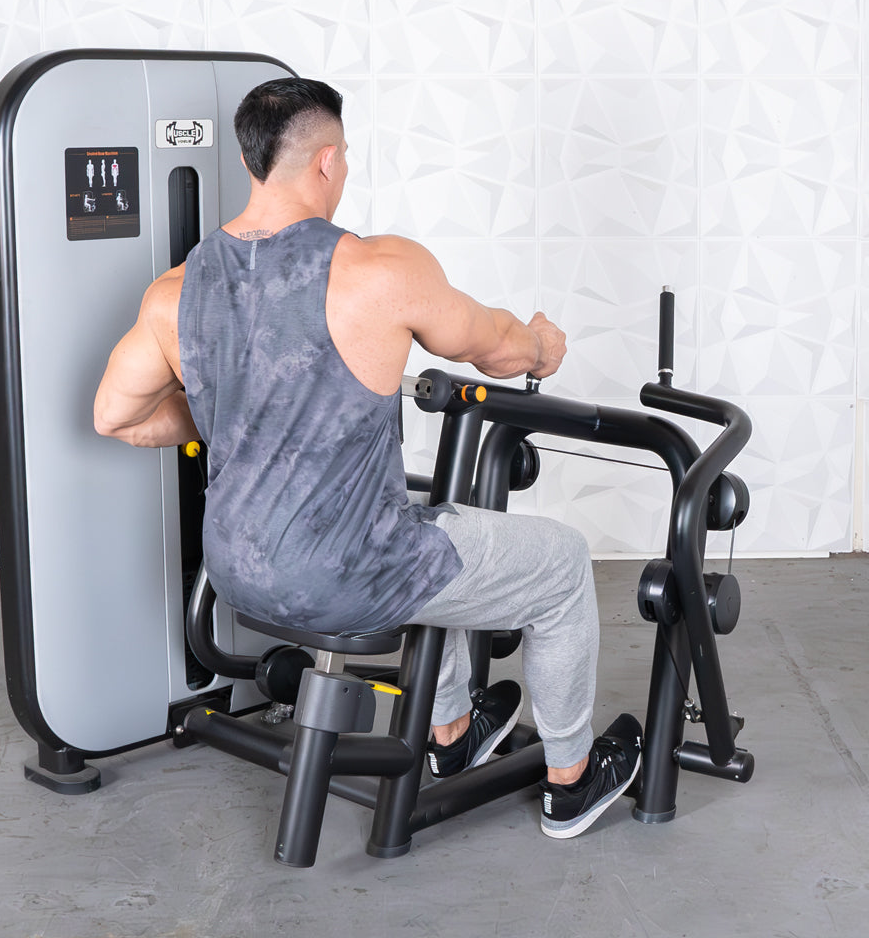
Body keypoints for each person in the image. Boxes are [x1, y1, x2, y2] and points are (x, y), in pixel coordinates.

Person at [94, 77, 641, 839]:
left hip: (235, 575)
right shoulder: (379, 271)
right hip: (350, 575)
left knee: (436, 528)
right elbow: (498, 345)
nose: (345, 170)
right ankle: (572, 782)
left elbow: (115, 416)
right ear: (325, 161)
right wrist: (544, 345)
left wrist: (234, 414)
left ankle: (451, 734)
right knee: (560, 564)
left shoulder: (175, 292)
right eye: (344, 156)